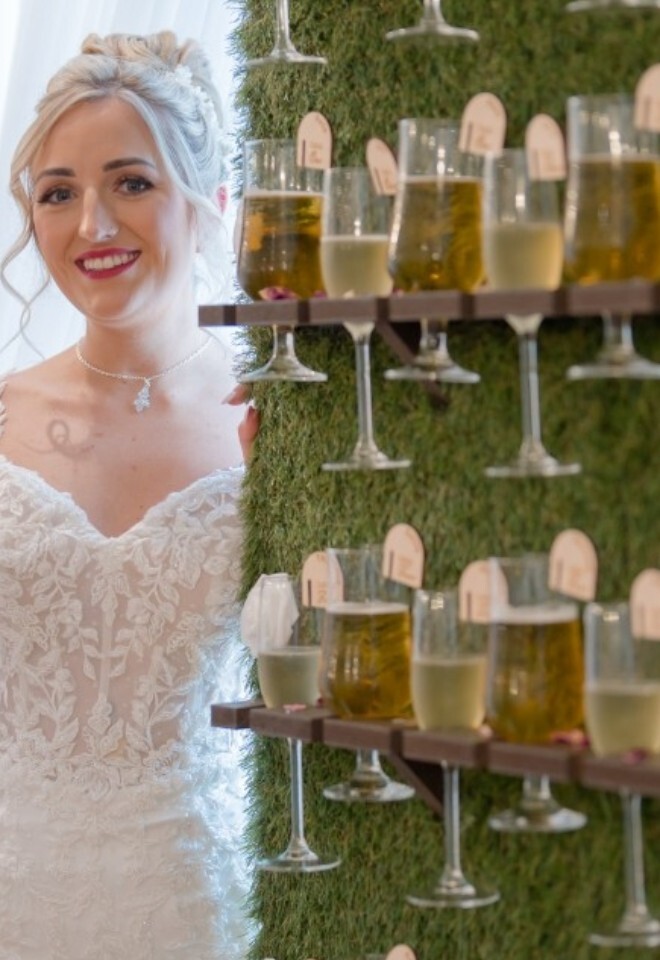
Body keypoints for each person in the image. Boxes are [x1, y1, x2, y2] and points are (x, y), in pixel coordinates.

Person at [0, 30, 259, 960]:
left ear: (211, 204)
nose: (93, 226)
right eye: (58, 193)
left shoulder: (273, 426)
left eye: (132, 183)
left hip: (194, 903)